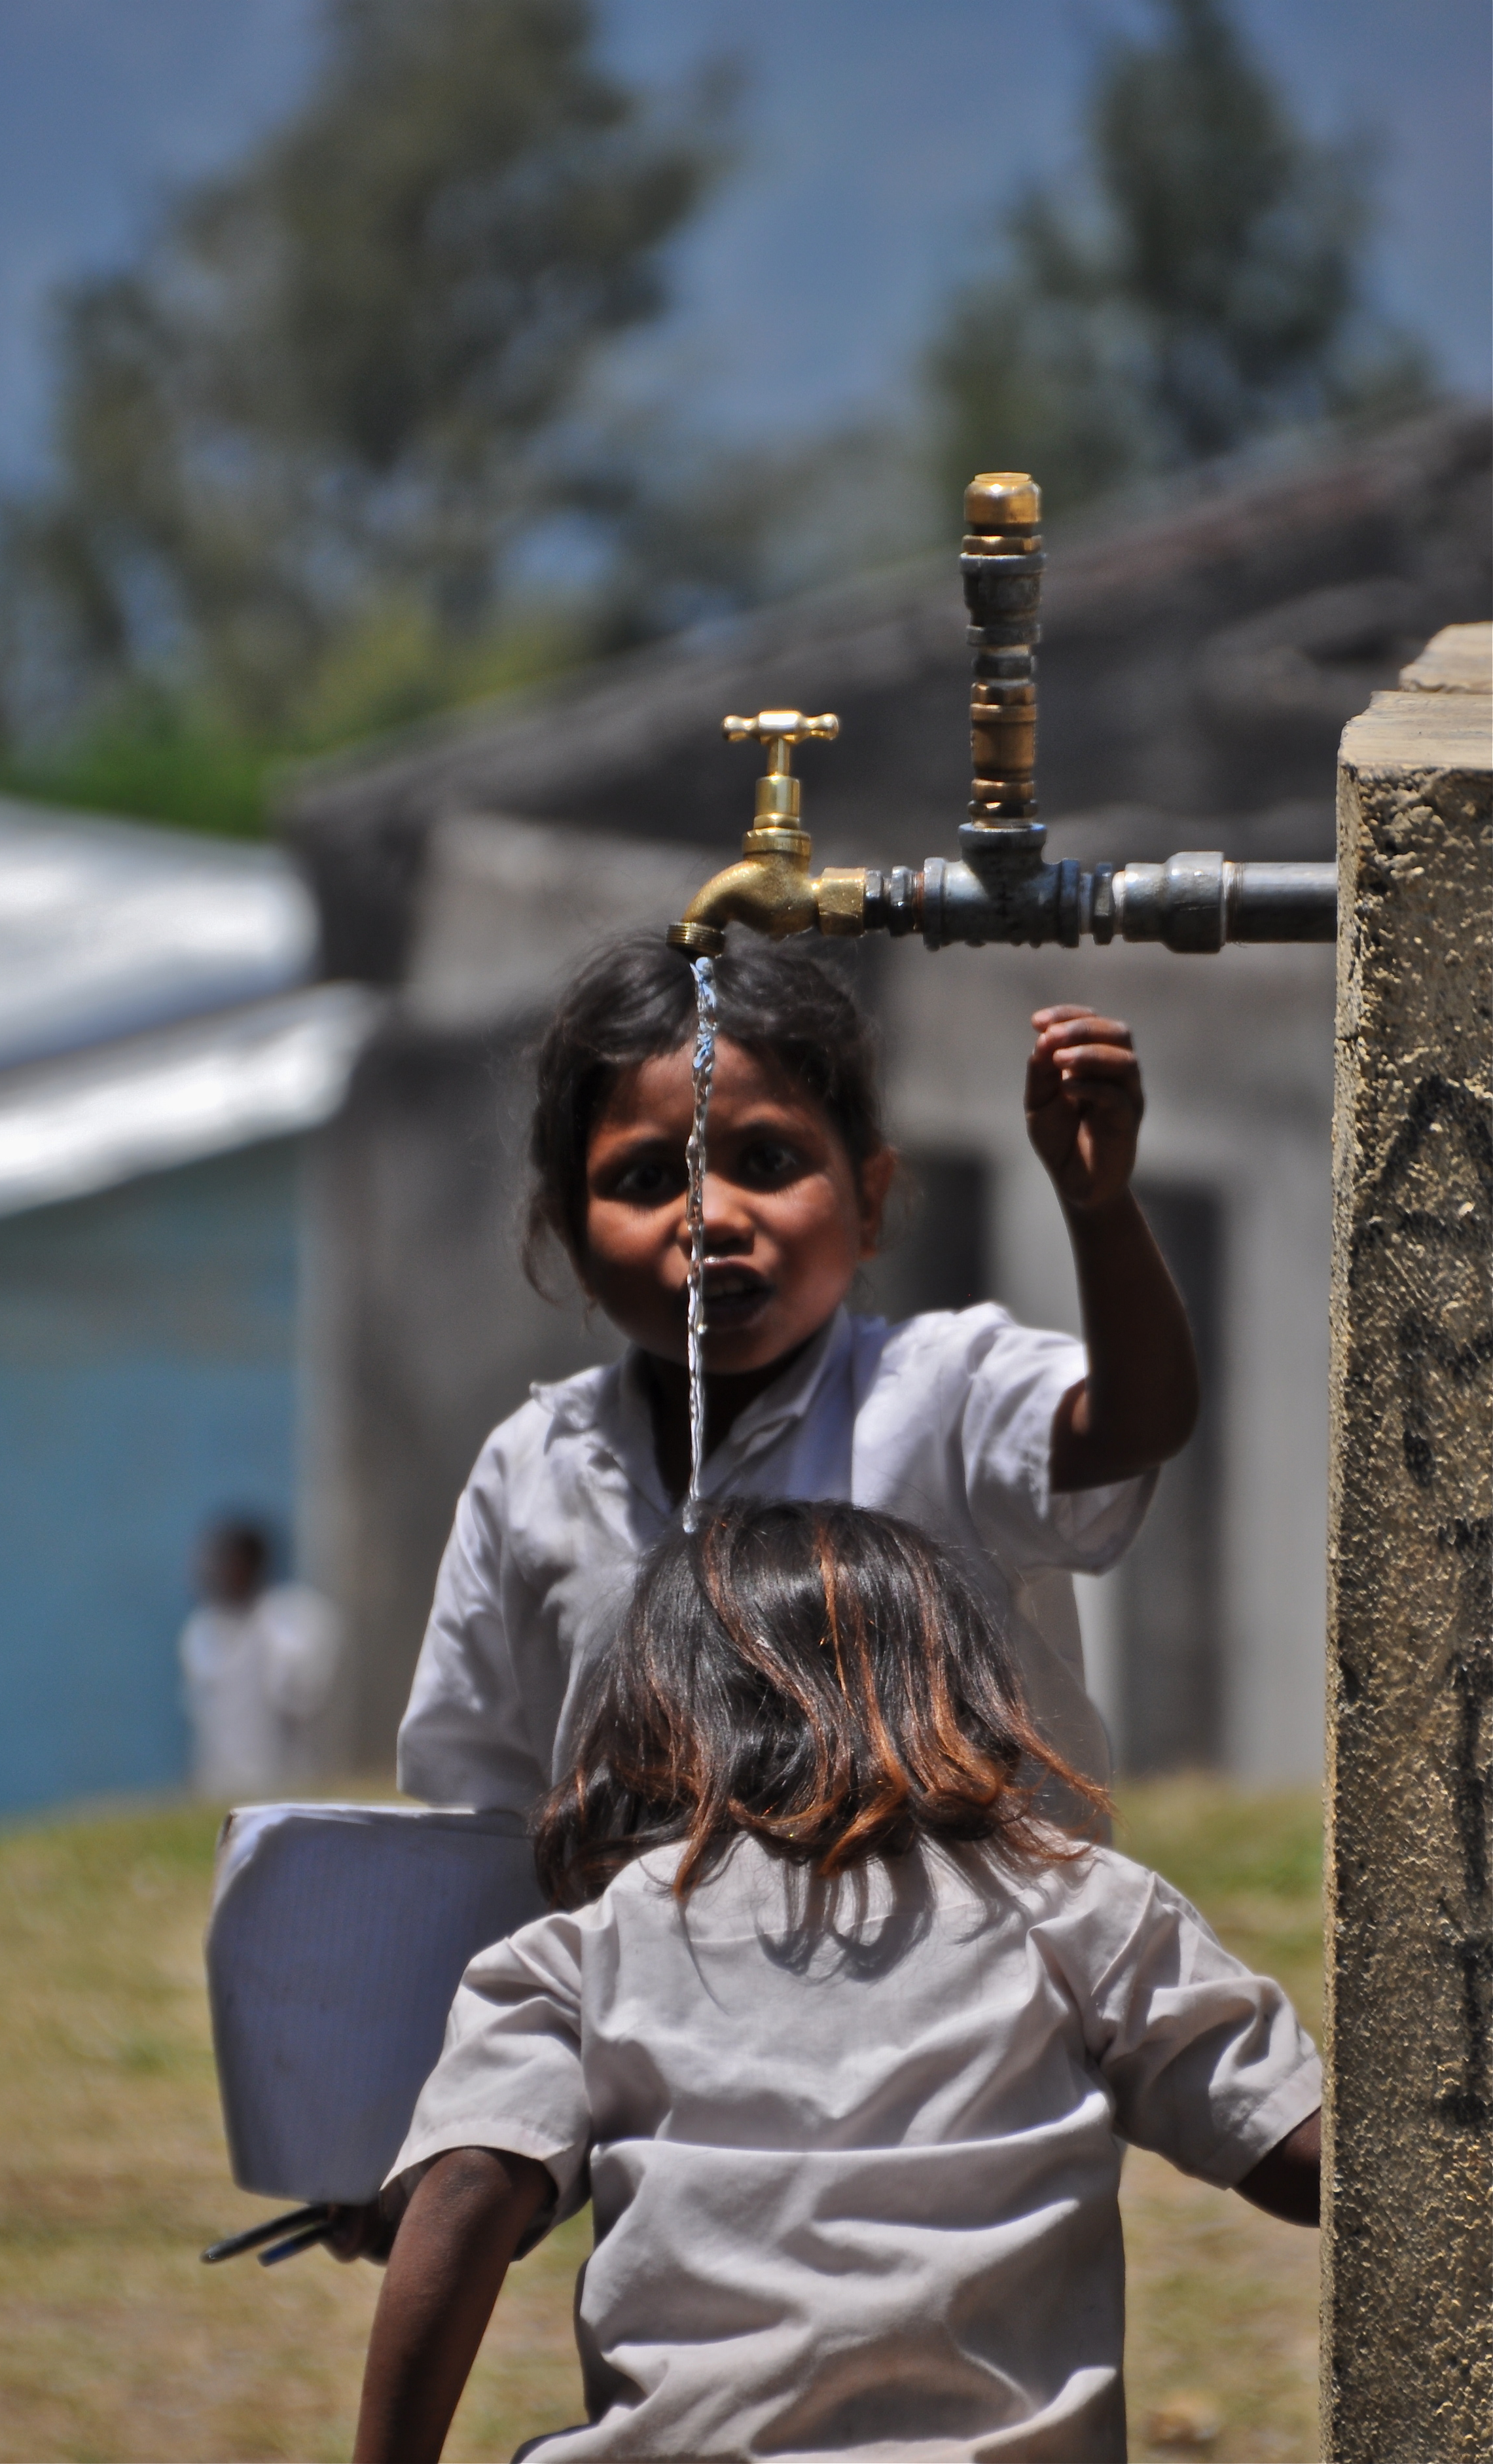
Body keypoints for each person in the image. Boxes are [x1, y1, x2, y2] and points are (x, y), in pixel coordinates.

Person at [344, 1501, 1321, 2462]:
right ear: (962, 1687)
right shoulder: (1081, 1908)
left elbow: (473, 2180)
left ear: (656, 1707)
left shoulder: (592, 1948)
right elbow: (1298, 2152)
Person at [399, 934, 1200, 1811]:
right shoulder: (536, 1470)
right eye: (649, 1178)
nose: (711, 1217)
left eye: (769, 1162)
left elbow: (1137, 1425)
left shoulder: (941, 1394)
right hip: (647, 1950)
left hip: (967, 1945)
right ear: (572, 1239)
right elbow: (472, 1789)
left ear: (870, 1201)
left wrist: (1100, 1208)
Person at [179, 1517, 342, 1800]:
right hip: (217, 1785)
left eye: (229, 1563)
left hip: (285, 1783)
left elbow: (302, 1697)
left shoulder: (292, 1620)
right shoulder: (202, 1631)